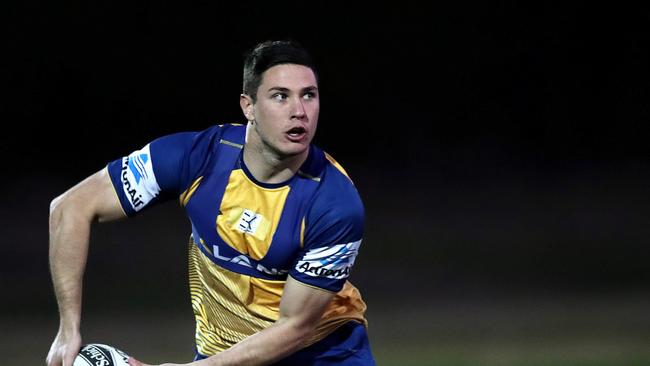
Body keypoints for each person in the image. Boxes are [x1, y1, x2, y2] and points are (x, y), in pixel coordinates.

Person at [46, 39, 375, 366]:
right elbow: (69, 208)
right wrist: (67, 330)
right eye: (280, 96)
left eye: (309, 95)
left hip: (323, 355)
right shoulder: (197, 158)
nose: (299, 111)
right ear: (248, 106)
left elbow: (295, 329)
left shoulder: (335, 204)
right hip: (220, 352)